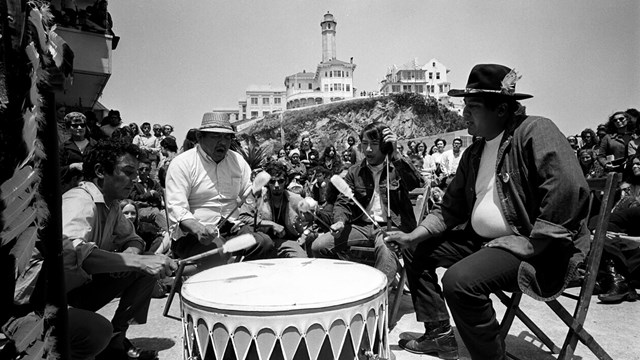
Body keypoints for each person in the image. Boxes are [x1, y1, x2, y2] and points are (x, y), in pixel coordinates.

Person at [384, 64, 590, 360]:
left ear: (502, 109)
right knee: (417, 250)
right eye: (464, 106)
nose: (464, 114)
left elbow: (568, 189)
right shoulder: (475, 152)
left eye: (473, 107)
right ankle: (439, 334)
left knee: (459, 282)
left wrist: (535, 241)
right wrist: (412, 235)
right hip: (486, 244)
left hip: (536, 250)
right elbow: (449, 209)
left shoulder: (535, 130)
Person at [63, 138, 177, 360]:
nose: (134, 180)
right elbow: (72, 253)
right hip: (45, 300)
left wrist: (133, 255)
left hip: (79, 288)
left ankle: (116, 340)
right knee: (96, 331)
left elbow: (134, 239)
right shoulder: (79, 201)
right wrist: (138, 262)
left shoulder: (112, 205)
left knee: (144, 268)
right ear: (100, 171)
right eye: (128, 172)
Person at [313, 122, 425, 285]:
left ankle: (376, 296)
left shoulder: (397, 167)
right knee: (319, 245)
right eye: (365, 144)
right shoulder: (354, 171)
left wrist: (396, 156)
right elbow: (343, 202)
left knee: (387, 250)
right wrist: (339, 221)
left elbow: (416, 183)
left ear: (385, 145)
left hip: (391, 227)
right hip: (361, 226)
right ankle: (345, 285)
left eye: (374, 144)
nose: (368, 150)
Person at [165, 112, 274, 271]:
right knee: (219, 250)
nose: (223, 142)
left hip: (231, 228)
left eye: (227, 138)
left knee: (264, 243)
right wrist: (199, 230)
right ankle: (211, 289)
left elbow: (247, 192)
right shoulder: (182, 163)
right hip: (192, 235)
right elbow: (178, 209)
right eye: (216, 137)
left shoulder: (237, 160)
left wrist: (258, 191)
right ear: (199, 137)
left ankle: (240, 282)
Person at [237, 162, 308, 258]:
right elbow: (243, 217)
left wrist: (305, 236)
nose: (277, 185)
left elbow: (313, 220)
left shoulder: (296, 199)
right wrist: (270, 224)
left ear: (286, 181)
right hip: (264, 242)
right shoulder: (258, 196)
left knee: (301, 259)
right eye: (272, 181)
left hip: (289, 242)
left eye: (281, 181)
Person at [60, 112, 97, 193]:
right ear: (68, 128)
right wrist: (71, 166)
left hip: (93, 188)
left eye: (82, 125)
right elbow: (57, 170)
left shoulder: (95, 145)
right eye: (75, 126)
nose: (79, 128)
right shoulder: (63, 147)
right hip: (70, 189)